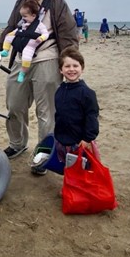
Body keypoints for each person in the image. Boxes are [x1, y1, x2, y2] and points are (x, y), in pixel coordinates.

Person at [0, 0, 77, 159]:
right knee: (14, 104)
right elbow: (9, 30)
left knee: (46, 111)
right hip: (21, 59)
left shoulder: (56, 2)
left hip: (48, 57)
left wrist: (69, 63)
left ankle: (44, 153)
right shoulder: (20, 3)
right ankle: (17, 143)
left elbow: (68, 34)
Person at [32, 47, 99, 175]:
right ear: (61, 70)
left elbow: (92, 117)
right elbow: (59, 114)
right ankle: (69, 187)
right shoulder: (60, 90)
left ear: (82, 68)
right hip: (63, 139)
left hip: (80, 141)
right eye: (67, 66)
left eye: (75, 66)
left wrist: (87, 139)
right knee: (67, 167)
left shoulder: (87, 93)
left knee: (80, 169)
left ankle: (77, 191)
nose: (71, 69)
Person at [0, 0, 50, 83]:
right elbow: (18, 30)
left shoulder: (39, 25)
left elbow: (46, 34)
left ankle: (22, 73)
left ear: (33, 15)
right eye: (22, 16)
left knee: (26, 58)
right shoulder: (23, 24)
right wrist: (12, 33)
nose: (23, 18)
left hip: (30, 45)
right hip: (22, 37)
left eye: (25, 16)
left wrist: (41, 38)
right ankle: (5, 50)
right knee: (8, 36)